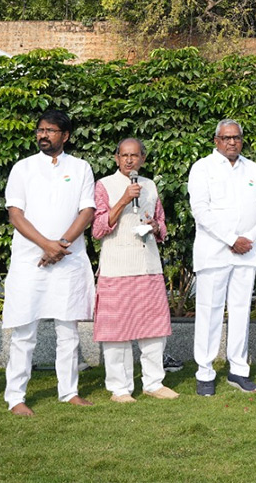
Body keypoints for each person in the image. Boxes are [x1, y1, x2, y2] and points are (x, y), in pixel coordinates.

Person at [2, 109, 96, 415]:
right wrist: (46, 245)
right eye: (40, 130)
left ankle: (69, 391)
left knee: (67, 330)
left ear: (65, 136)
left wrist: (62, 244)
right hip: (31, 260)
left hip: (68, 259)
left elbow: (87, 211)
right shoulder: (23, 168)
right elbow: (16, 214)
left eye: (51, 130)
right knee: (24, 330)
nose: (43, 135)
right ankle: (16, 396)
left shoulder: (81, 168)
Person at [189, 120, 256, 396]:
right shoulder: (202, 168)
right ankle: (205, 372)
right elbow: (200, 210)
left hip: (247, 251)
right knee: (209, 311)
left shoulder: (254, 169)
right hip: (215, 252)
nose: (232, 142)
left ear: (242, 140)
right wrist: (230, 239)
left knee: (240, 311)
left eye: (236, 138)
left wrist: (248, 237)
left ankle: (239, 369)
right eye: (226, 138)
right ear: (216, 140)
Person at [91, 138, 178, 403]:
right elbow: (97, 229)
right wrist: (123, 200)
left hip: (148, 265)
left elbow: (162, 224)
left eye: (135, 156)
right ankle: (120, 388)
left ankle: (154, 382)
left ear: (143, 158)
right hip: (117, 266)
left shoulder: (150, 185)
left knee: (153, 328)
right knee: (117, 329)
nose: (129, 160)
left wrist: (154, 226)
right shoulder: (104, 185)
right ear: (116, 158)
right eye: (124, 155)